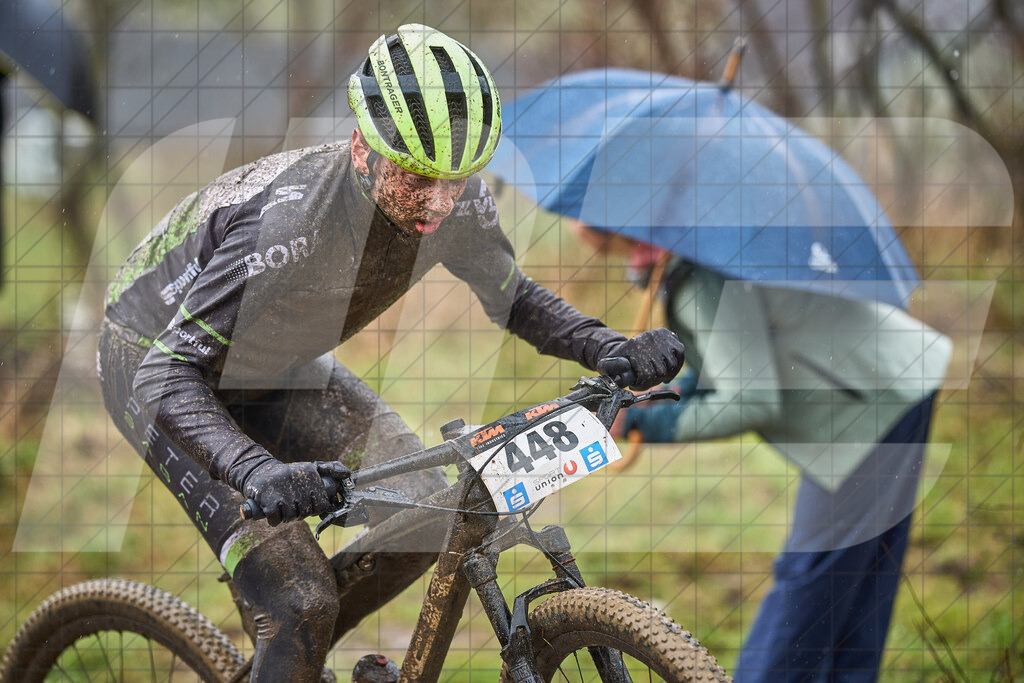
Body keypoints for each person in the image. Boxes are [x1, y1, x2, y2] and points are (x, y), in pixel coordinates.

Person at [97, 25, 684, 683]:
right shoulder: (289, 225)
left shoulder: (458, 203)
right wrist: (255, 469)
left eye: (457, 179)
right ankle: (292, 630)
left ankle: (286, 660)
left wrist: (611, 347)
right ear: (361, 149)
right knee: (301, 601)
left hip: (274, 362)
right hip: (153, 363)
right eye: (417, 177)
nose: (439, 200)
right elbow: (166, 373)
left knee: (425, 512)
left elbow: (512, 297)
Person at [571, 220, 951, 682]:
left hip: (876, 400)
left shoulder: (698, 277)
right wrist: (647, 402)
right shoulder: (691, 259)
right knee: (855, 582)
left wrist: (649, 421)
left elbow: (750, 397)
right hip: (897, 378)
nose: (574, 225)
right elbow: (727, 366)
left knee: (813, 581)